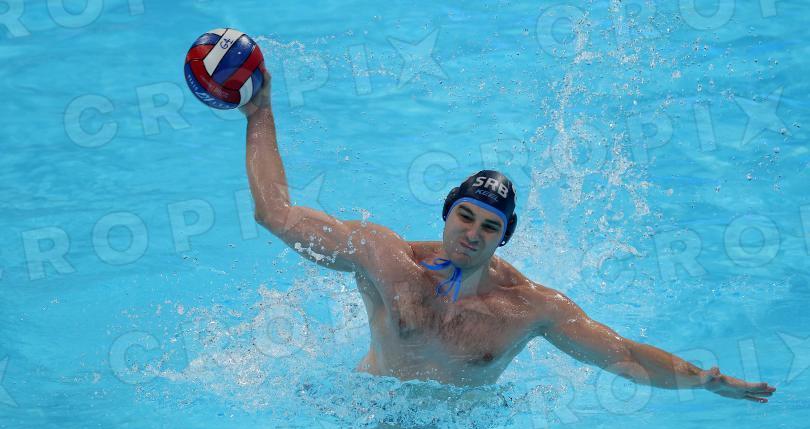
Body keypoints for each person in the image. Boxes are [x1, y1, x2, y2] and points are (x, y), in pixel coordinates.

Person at [239, 69, 776, 403]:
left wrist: (703, 380)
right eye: (465, 217)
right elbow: (275, 214)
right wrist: (259, 113)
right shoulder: (384, 257)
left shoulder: (529, 308)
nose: (472, 234)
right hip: (370, 402)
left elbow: (626, 356)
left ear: (505, 237)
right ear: (447, 213)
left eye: (489, 226)